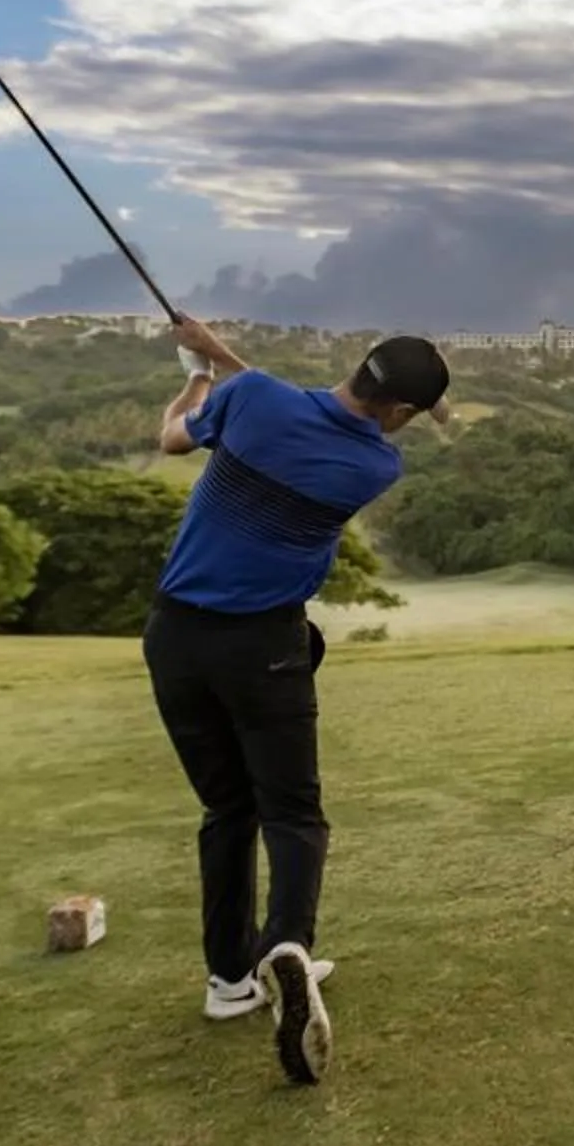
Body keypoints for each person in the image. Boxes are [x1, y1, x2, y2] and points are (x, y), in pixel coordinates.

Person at [143, 314, 448, 1085]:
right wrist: (223, 361)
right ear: (402, 415)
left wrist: (202, 371)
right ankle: (289, 945)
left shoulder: (252, 399)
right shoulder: (375, 467)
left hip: (174, 639)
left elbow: (176, 438)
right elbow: (305, 422)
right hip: (264, 648)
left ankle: (228, 981)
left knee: (227, 809)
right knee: (292, 812)